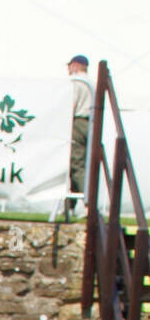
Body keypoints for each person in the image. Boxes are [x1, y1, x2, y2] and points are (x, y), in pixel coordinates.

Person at [67, 54, 93, 214]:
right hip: (91, 123)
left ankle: (86, 204)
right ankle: (70, 205)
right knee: (83, 163)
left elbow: (72, 103)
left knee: (75, 164)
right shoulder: (93, 82)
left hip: (77, 122)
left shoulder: (76, 82)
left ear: (75, 65)